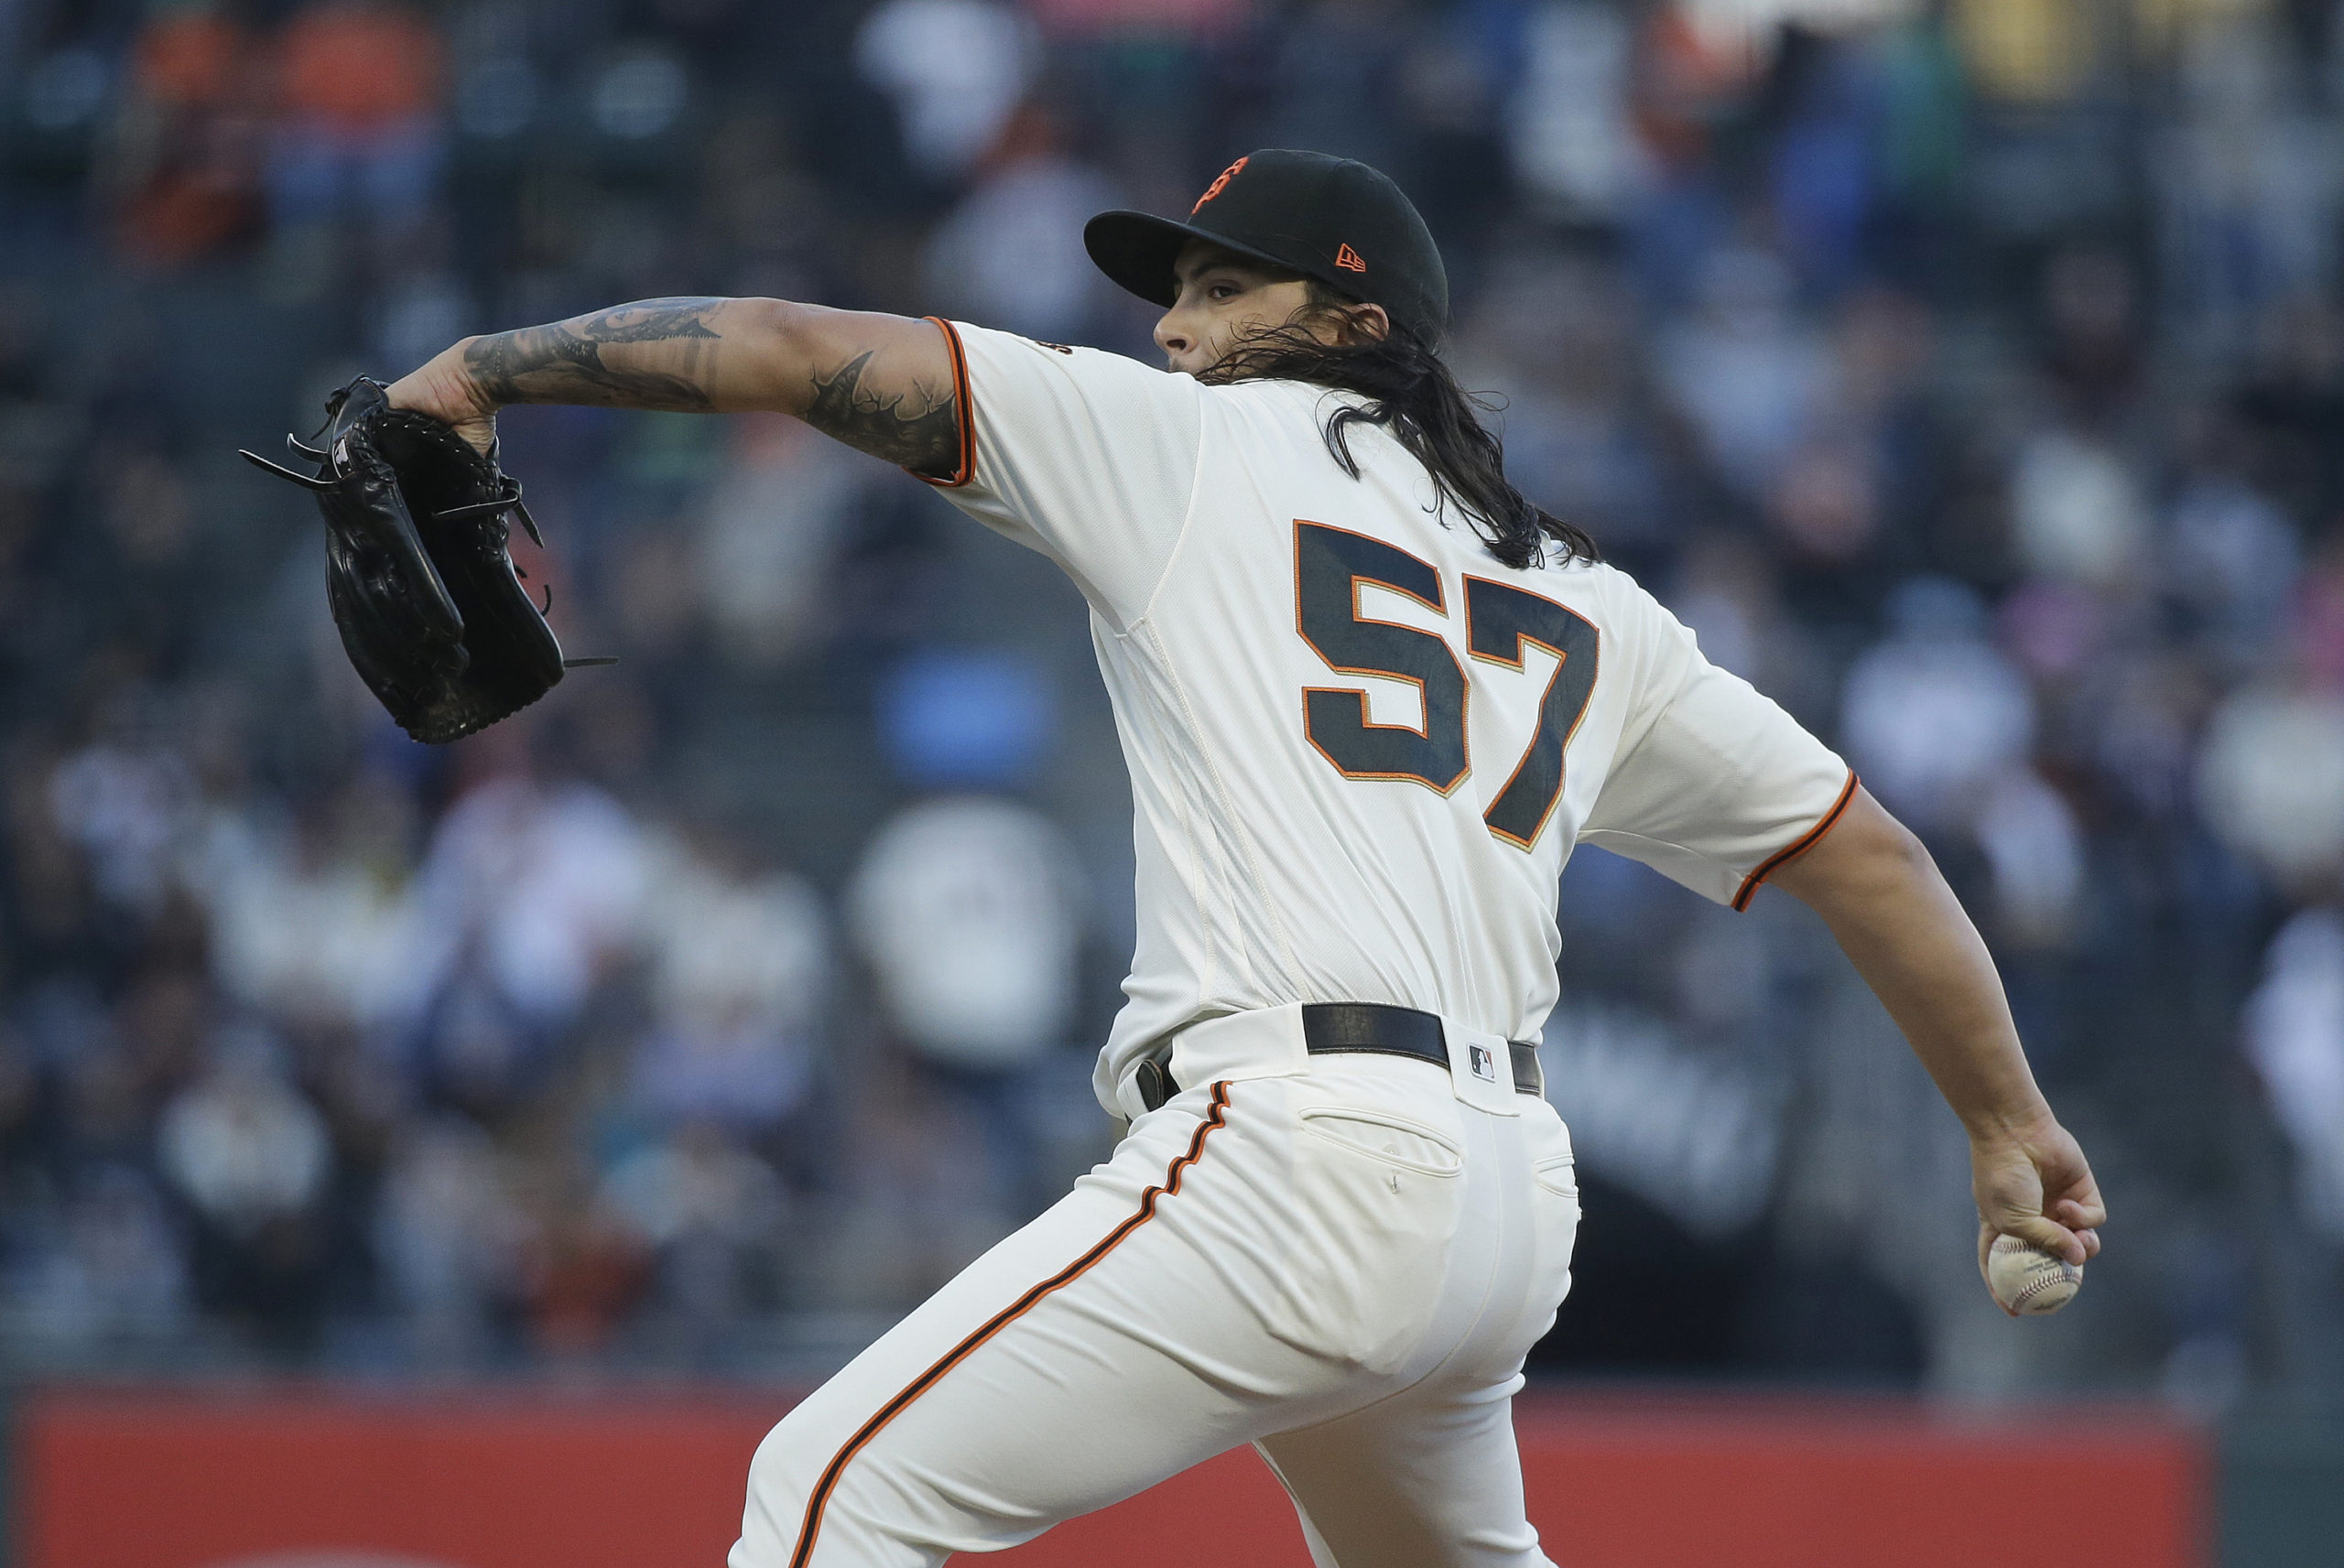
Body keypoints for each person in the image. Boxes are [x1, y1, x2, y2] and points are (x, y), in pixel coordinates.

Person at [386, 148, 2106, 1568]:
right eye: (1175, 288)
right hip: (1505, 1198)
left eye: (1224, 288)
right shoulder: (1590, 605)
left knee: (832, 1497)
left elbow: (776, 338)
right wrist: (2007, 1121)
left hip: (1299, 1154)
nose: (1176, 322)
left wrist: (485, 369)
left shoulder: (1179, 448)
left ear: (1353, 322)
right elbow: (1865, 851)